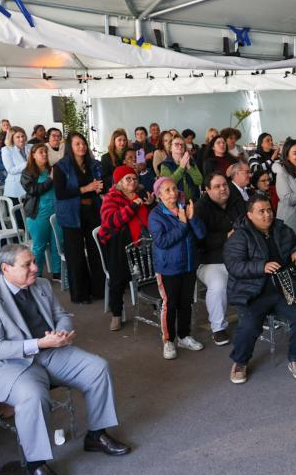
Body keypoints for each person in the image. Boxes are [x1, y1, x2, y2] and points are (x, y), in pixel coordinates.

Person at [0, 244, 130, 475]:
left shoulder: (41, 285)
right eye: (27, 265)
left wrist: (61, 331)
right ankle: (36, 465)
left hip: (47, 350)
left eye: (34, 261)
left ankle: (96, 435)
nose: (35, 268)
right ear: (6, 269)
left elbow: (61, 313)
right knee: (33, 395)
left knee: (97, 368)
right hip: (3, 365)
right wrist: (39, 343)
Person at [225, 195, 296, 383]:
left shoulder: (281, 229)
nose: (267, 215)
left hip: (282, 289)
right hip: (253, 292)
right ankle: (240, 361)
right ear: (250, 215)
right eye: (261, 212)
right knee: (248, 326)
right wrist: (260, 267)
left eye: (269, 210)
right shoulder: (241, 236)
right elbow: (233, 266)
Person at [149, 177, 206, 360]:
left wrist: (192, 218)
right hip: (168, 268)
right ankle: (168, 340)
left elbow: (201, 234)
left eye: (174, 189)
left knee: (186, 302)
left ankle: (184, 336)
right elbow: (162, 242)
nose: (173, 193)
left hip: (188, 265)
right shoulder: (156, 215)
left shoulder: (184, 208)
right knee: (170, 304)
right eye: (167, 190)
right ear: (159, 194)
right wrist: (182, 224)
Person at [54, 132, 105, 304]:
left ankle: (99, 289)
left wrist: (99, 188)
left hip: (92, 210)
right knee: (76, 256)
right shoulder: (61, 167)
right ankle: (81, 294)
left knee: (96, 251)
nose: (81, 147)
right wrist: (85, 188)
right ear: (70, 147)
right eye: (77, 144)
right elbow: (60, 193)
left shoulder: (93, 164)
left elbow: (101, 183)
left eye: (83, 143)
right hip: (71, 213)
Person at [98, 165, 151, 331]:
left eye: (134, 178)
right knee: (117, 277)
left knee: (152, 266)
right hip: (118, 244)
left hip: (141, 243)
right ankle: (116, 314)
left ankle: (156, 305)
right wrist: (134, 206)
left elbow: (150, 220)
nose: (132, 182)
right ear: (119, 182)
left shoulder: (142, 194)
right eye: (128, 178)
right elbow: (111, 221)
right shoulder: (111, 197)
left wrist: (150, 204)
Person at [194, 172, 237, 346]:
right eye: (217, 187)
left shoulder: (235, 201)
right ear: (207, 190)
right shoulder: (200, 208)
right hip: (209, 260)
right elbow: (199, 240)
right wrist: (227, 236)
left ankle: (258, 314)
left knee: (261, 270)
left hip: (236, 256)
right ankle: (218, 328)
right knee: (219, 285)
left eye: (225, 185)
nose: (223, 189)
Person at [20, 145, 61, 279]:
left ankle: (57, 272)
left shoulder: (52, 168)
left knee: (57, 243)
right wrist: (50, 179)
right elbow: (33, 190)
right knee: (39, 246)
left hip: (55, 212)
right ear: (33, 155)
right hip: (38, 214)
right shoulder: (28, 172)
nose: (44, 154)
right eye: (40, 152)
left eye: (45, 152)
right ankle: (35, 275)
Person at [159, 135, 203, 202]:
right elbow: (168, 184)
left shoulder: (191, 161)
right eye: (176, 144)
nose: (180, 146)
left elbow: (199, 181)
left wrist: (189, 167)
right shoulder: (165, 164)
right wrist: (181, 167)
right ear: (170, 148)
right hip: (175, 202)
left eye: (182, 145)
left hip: (194, 201)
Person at [2, 126, 32, 201]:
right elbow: (11, 170)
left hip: (31, 186)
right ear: (12, 138)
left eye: (23, 136)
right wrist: (28, 163)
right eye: (17, 137)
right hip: (15, 189)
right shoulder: (6, 150)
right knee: (18, 212)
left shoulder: (31, 147)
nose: (21, 139)